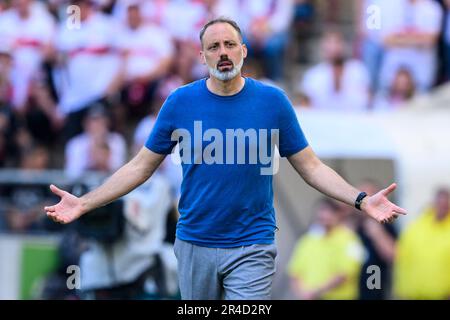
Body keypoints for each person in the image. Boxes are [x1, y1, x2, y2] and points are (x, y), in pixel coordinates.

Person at [45, 18, 407, 300]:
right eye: (213, 46)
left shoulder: (272, 102)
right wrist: (85, 203)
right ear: (202, 56)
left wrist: (360, 200)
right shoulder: (180, 103)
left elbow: (310, 166)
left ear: (244, 52)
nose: (223, 52)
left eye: (230, 44)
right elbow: (140, 166)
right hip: (194, 242)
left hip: (253, 243)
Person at [287, 198, 364, 300]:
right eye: (322, 212)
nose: (324, 216)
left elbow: (344, 274)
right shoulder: (307, 240)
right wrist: (303, 294)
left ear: (338, 215)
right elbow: (294, 273)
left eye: (329, 212)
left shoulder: (350, 239)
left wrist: (315, 292)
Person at [393, 188, 450, 299]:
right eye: (440, 202)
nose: (442, 207)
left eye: (446, 203)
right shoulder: (415, 228)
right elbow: (400, 258)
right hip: (412, 295)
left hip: (442, 295)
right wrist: (400, 289)